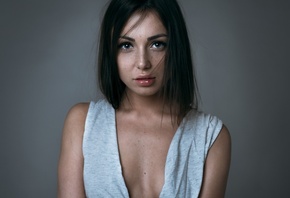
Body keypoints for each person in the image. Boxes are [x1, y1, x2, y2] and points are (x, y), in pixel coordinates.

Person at [57, 0, 231, 197]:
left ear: (176, 48)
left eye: (157, 44)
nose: (143, 63)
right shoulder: (83, 124)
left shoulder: (211, 137)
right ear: (111, 52)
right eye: (126, 45)